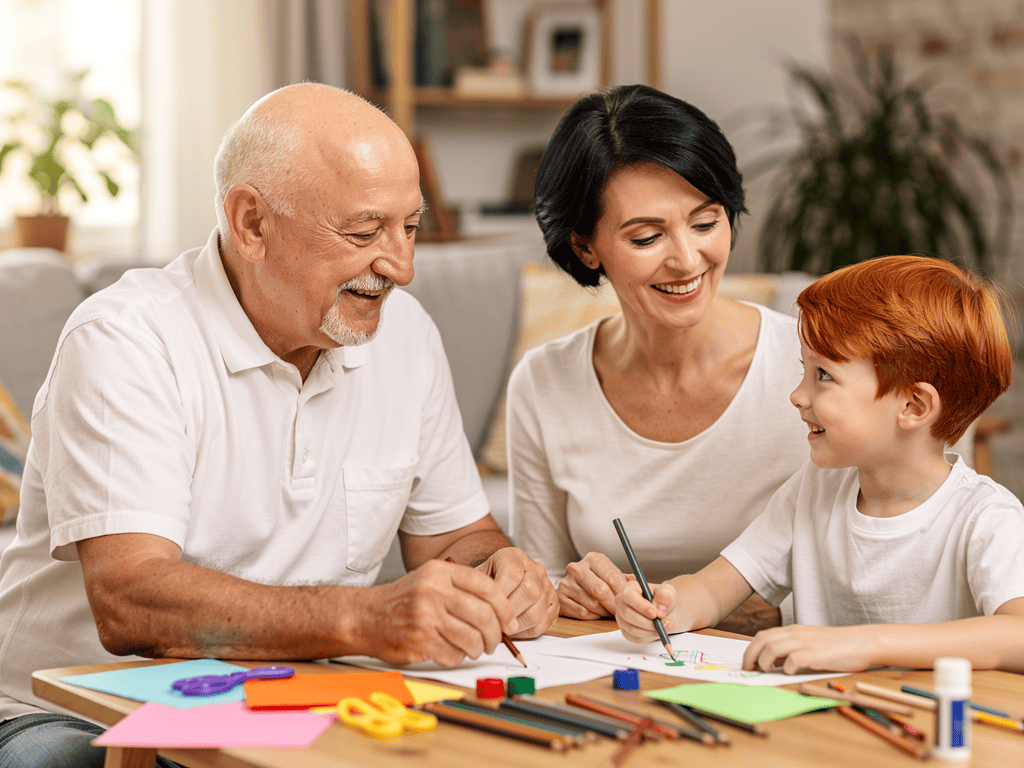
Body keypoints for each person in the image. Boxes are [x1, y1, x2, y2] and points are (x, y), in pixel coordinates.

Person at [0, 83, 557, 766]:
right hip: (76, 712)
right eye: (364, 232)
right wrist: (366, 618)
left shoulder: (405, 334)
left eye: (409, 227)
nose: (402, 267)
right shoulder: (127, 339)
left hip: (294, 706)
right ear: (252, 223)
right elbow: (131, 601)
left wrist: (495, 576)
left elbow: (457, 539)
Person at [616, 255, 1024, 673]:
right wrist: (669, 606)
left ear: (913, 405)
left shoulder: (986, 517)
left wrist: (867, 645)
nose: (798, 395)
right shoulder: (814, 489)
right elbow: (715, 588)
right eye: (804, 371)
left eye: (823, 376)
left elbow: (1018, 636)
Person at [507, 84, 808, 633]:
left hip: (783, 668)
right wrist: (570, 592)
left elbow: (888, 565)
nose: (688, 260)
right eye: (648, 237)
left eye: (706, 222)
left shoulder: (812, 368)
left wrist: (733, 608)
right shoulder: (544, 382)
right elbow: (542, 580)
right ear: (585, 246)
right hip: (620, 672)